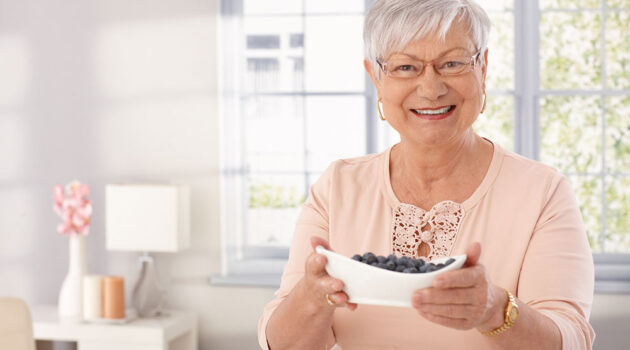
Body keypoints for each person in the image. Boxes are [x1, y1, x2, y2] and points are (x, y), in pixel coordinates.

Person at [258, 0, 595, 349]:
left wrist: (497, 311)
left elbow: (570, 340)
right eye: (405, 67)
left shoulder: (543, 192)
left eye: (452, 63)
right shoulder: (337, 188)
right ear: (375, 77)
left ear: (483, 68)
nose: (431, 88)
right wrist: (312, 297)